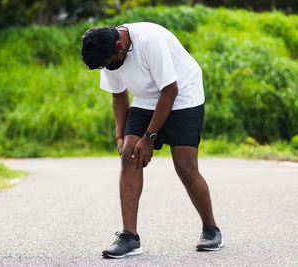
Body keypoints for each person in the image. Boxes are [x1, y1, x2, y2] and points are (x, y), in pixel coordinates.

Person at [80, 22, 223, 259]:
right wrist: (120, 135)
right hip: (147, 99)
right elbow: (119, 95)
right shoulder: (105, 51)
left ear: (119, 46)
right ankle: (129, 237)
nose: (110, 68)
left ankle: (211, 229)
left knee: (185, 167)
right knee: (129, 154)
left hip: (183, 95)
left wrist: (149, 137)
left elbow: (170, 90)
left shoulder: (149, 41)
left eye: (110, 63)